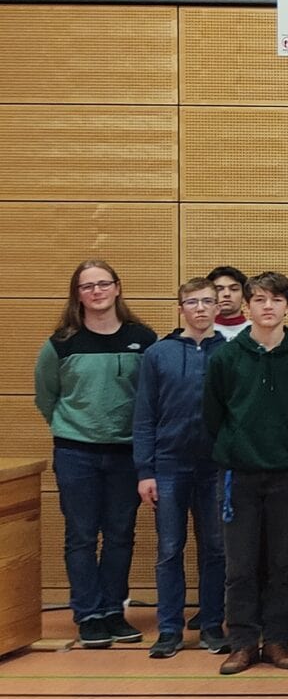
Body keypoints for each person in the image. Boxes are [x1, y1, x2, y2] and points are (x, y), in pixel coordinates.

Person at [200, 272, 288, 674]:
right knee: (239, 565)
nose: (267, 306)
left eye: (275, 299)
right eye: (259, 299)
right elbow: (212, 415)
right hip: (238, 476)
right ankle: (242, 642)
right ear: (247, 306)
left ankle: (276, 640)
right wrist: (234, 450)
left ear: (287, 306)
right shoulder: (226, 357)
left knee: (281, 564)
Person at [37, 260, 153, 649]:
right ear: (78, 294)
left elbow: (151, 396)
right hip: (76, 453)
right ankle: (88, 614)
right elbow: (46, 397)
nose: (97, 291)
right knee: (82, 536)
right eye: (88, 286)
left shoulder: (143, 338)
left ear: (118, 288)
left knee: (121, 535)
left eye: (103, 284)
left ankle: (113, 612)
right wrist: (74, 426)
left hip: (126, 453)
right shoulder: (61, 342)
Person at [132, 279, 225, 657]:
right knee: (170, 549)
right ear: (180, 308)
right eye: (192, 302)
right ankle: (169, 628)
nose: (200, 308)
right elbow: (144, 416)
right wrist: (144, 471)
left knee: (216, 549)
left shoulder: (230, 353)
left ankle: (212, 625)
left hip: (217, 467)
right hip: (168, 465)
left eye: (207, 301)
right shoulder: (158, 354)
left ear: (218, 307)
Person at [206, 265, 250, 339]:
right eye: (219, 289)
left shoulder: (254, 332)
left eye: (234, 289)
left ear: (244, 296)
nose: (227, 294)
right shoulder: (201, 332)